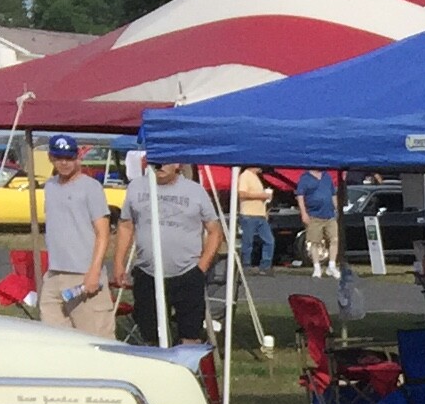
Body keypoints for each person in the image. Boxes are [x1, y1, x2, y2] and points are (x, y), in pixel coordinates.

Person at [113, 156, 224, 346]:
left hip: (187, 273)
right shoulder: (136, 187)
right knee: (148, 332)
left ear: (177, 164)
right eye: (156, 161)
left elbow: (215, 231)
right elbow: (126, 225)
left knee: (190, 333)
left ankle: (187, 361)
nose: (160, 166)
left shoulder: (195, 191)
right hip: (148, 273)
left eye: (166, 161)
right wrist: (118, 263)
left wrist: (202, 266)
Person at [37, 135, 116, 338]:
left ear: (78, 157)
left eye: (69, 158)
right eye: (59, 158)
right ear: (51, 158)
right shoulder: (50, 186)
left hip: (84, 273)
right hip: (55, 274)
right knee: (54, 338)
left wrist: (94, 272)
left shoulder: (91, 187)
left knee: (95, 338)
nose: (64, 163)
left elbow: (103, 233)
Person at [295, 169, 341, 276]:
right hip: (314, 216)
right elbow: (300, 197)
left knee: (334, 239)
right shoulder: (305, 178)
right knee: (314, 242)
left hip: (330, 215)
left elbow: (333, 194)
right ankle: (317, 267)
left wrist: (337, 209)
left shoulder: (327, 176)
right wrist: (304, 213)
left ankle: (332, 266)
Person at [230, 167, 277, 272]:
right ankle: (246, 265)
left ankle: (265, 266)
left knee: (269, 240)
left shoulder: (256, 177)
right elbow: (242, 194)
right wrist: (262, 195)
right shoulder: (245, 176)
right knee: (248, 242)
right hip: (248, 214)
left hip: (260, 215)